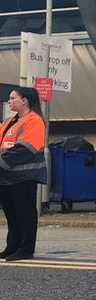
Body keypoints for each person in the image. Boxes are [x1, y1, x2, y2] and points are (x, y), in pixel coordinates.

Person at [0, 87, 47, 261]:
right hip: (7, 177)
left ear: (24, 100)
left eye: (13, 98)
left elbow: (24, 149)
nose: (9, 101)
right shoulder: (10, 121)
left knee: (24, 214)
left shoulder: (34, 121)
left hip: (24, 177)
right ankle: (13, 246)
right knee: (12, 215)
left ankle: (26, 249)